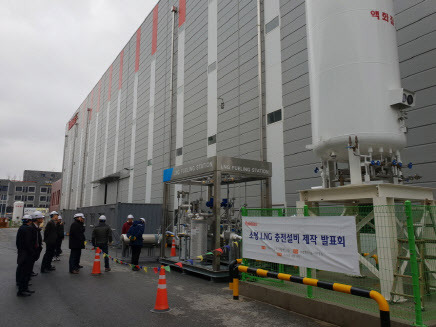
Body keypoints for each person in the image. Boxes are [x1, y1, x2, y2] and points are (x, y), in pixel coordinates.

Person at [16, 215, 36, 296]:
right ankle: (22, 290)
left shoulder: (21, 228)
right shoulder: (27, 229)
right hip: (26, 254)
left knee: (22, 271)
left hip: (22, 253)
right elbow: (28, 243)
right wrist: (32, 251)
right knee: (25, 272)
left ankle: (24, 288)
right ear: (29, 221)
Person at [29, 212, 44, 278]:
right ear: (36, 219)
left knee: (32, 261)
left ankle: (30, 271)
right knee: (30, 261)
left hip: (36, 247)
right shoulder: (31, 227)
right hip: (32, 248)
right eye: (41, 218)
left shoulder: (36, 227)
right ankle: (28, 274)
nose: (42, 219)